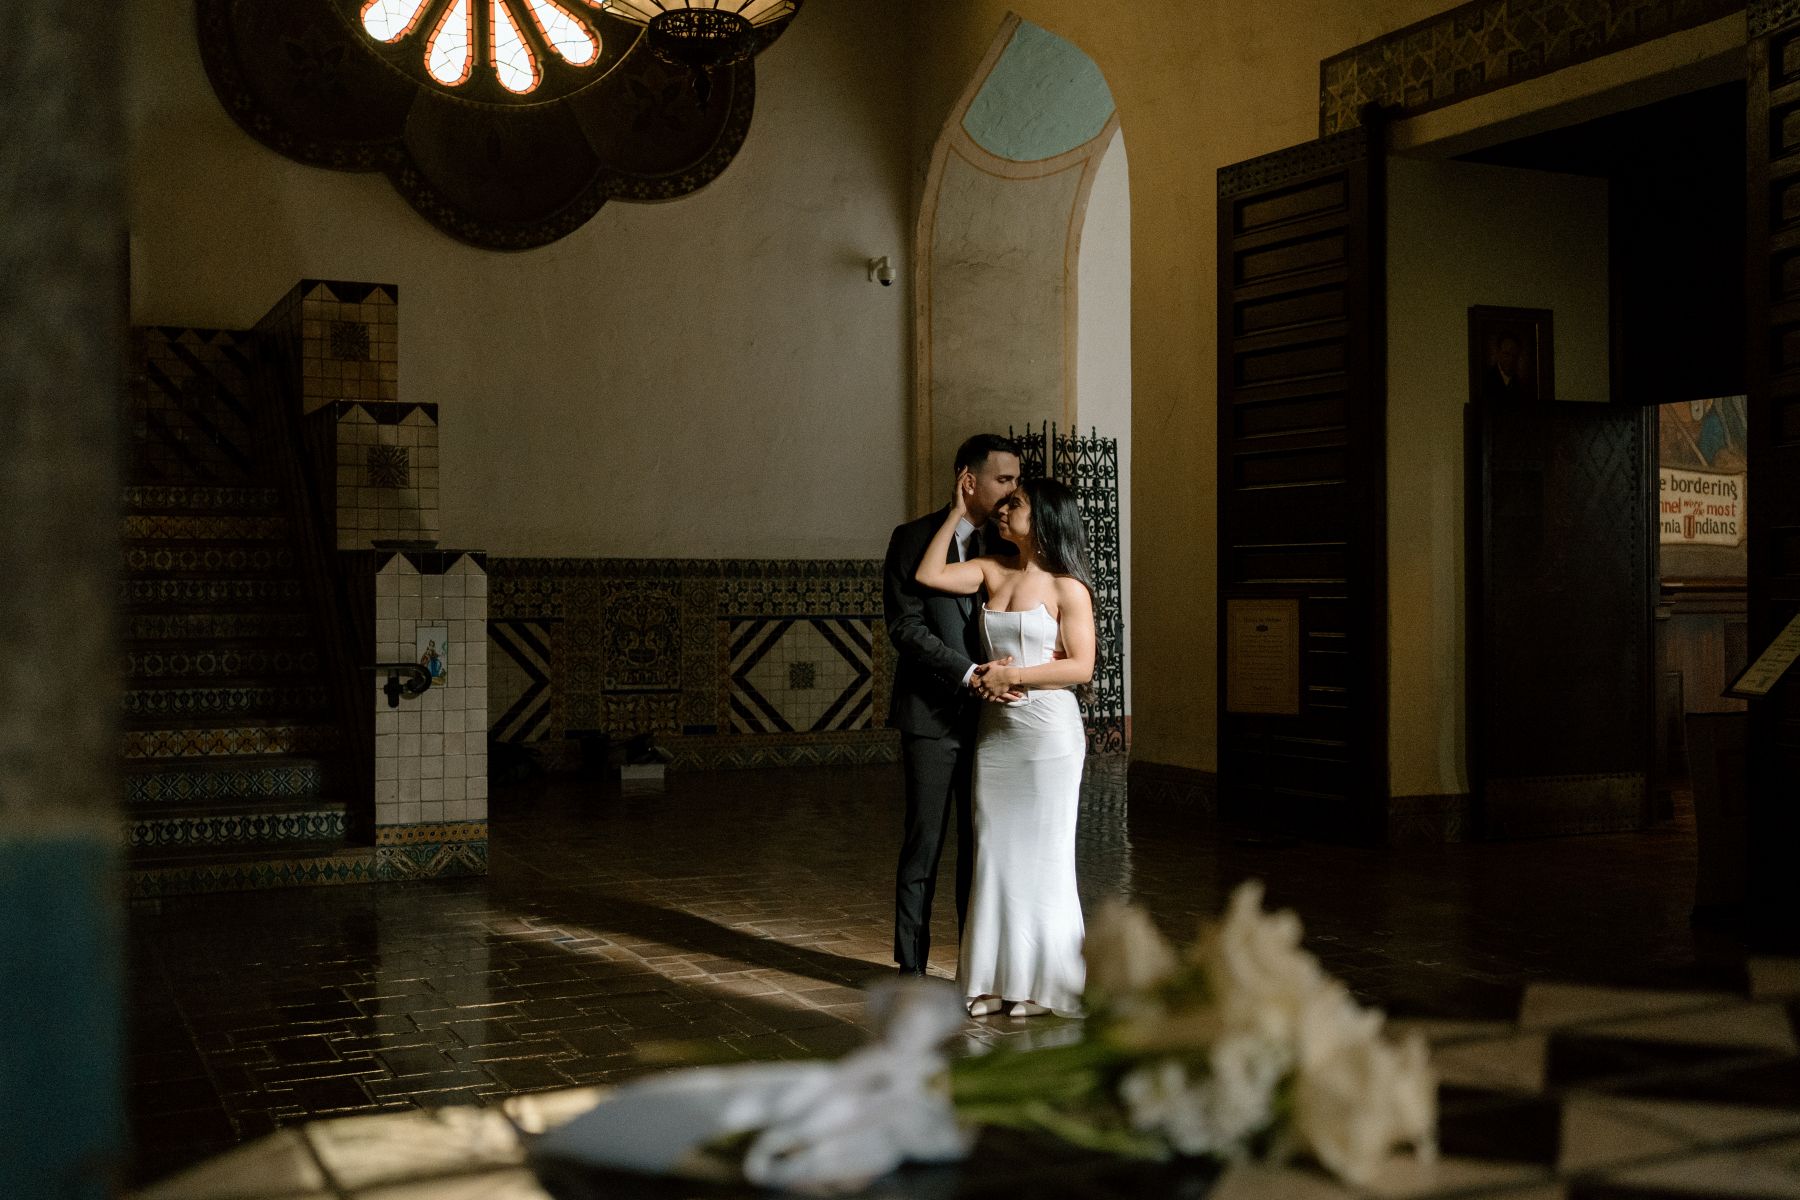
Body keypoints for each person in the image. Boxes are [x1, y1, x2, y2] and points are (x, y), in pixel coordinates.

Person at [914, 474, 1096, 1017]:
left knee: (1045, 858)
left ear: (1043, 519)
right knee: (995, 851)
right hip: (999, 738)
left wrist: (1012, 678)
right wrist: (956, 511)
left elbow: (1081, 666)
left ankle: (1045, 985)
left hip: (1048, 737)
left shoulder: (1069, 588)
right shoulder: (991, 571)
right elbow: (928, 573)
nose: (1004, 509)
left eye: (1015, 503)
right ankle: (992, 980)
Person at [883, 434, 1022, 980]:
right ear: (970, 479)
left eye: (1016, 480)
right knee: (925, 842)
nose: (1013, 490)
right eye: (1003, 479)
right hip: (930, 716)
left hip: (994, 719)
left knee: (980, 844)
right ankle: (911, 967)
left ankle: (973, 965)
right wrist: (966, 673)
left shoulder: (1011, 545)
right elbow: (906, 627)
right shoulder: (912, 538)